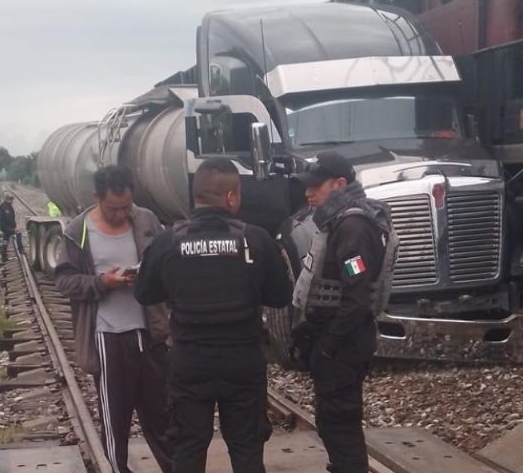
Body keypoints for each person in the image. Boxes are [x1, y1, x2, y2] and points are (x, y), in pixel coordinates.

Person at [135, 158, 292, 473]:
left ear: (196, 196)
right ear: (232, 197)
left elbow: (145, 293)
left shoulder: (168, 241)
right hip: (242, 361)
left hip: (190, 362)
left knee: (188, 449)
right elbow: (281, 296)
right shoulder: (256, 239)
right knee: (247, 450)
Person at [54, 165, 173, 473]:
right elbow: (65, 281)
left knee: (161, 414)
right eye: (113, 208)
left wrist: (146, 276)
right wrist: (101, 283)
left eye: (126, 207)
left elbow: (165, 264)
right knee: (115, 418)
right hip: (108, 336)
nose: (121, 214)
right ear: (97, 198)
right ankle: (117, 468)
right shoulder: (77, 231)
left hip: (150, 332)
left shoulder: (146, 220)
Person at [293, 151, 395, 473]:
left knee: (340, 424)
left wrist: (327, 346)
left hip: (345, 344)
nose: (309, 193)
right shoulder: (340, 221)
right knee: (333, 422)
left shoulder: (352, 227)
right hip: (340, 339)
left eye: (316, 186)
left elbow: (357, 296)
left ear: (339, 184)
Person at [0, 194, 25, 262]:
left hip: (4, 227)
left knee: (5, 240)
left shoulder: (6, 206)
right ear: (7, 199)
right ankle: (21, 249)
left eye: (12, 199)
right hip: (6, 227)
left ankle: (3, 256)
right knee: (18, 232)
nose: (12, 200)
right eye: (11, 199)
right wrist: (14, 227)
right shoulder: (6, 207)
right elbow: (9, 218)